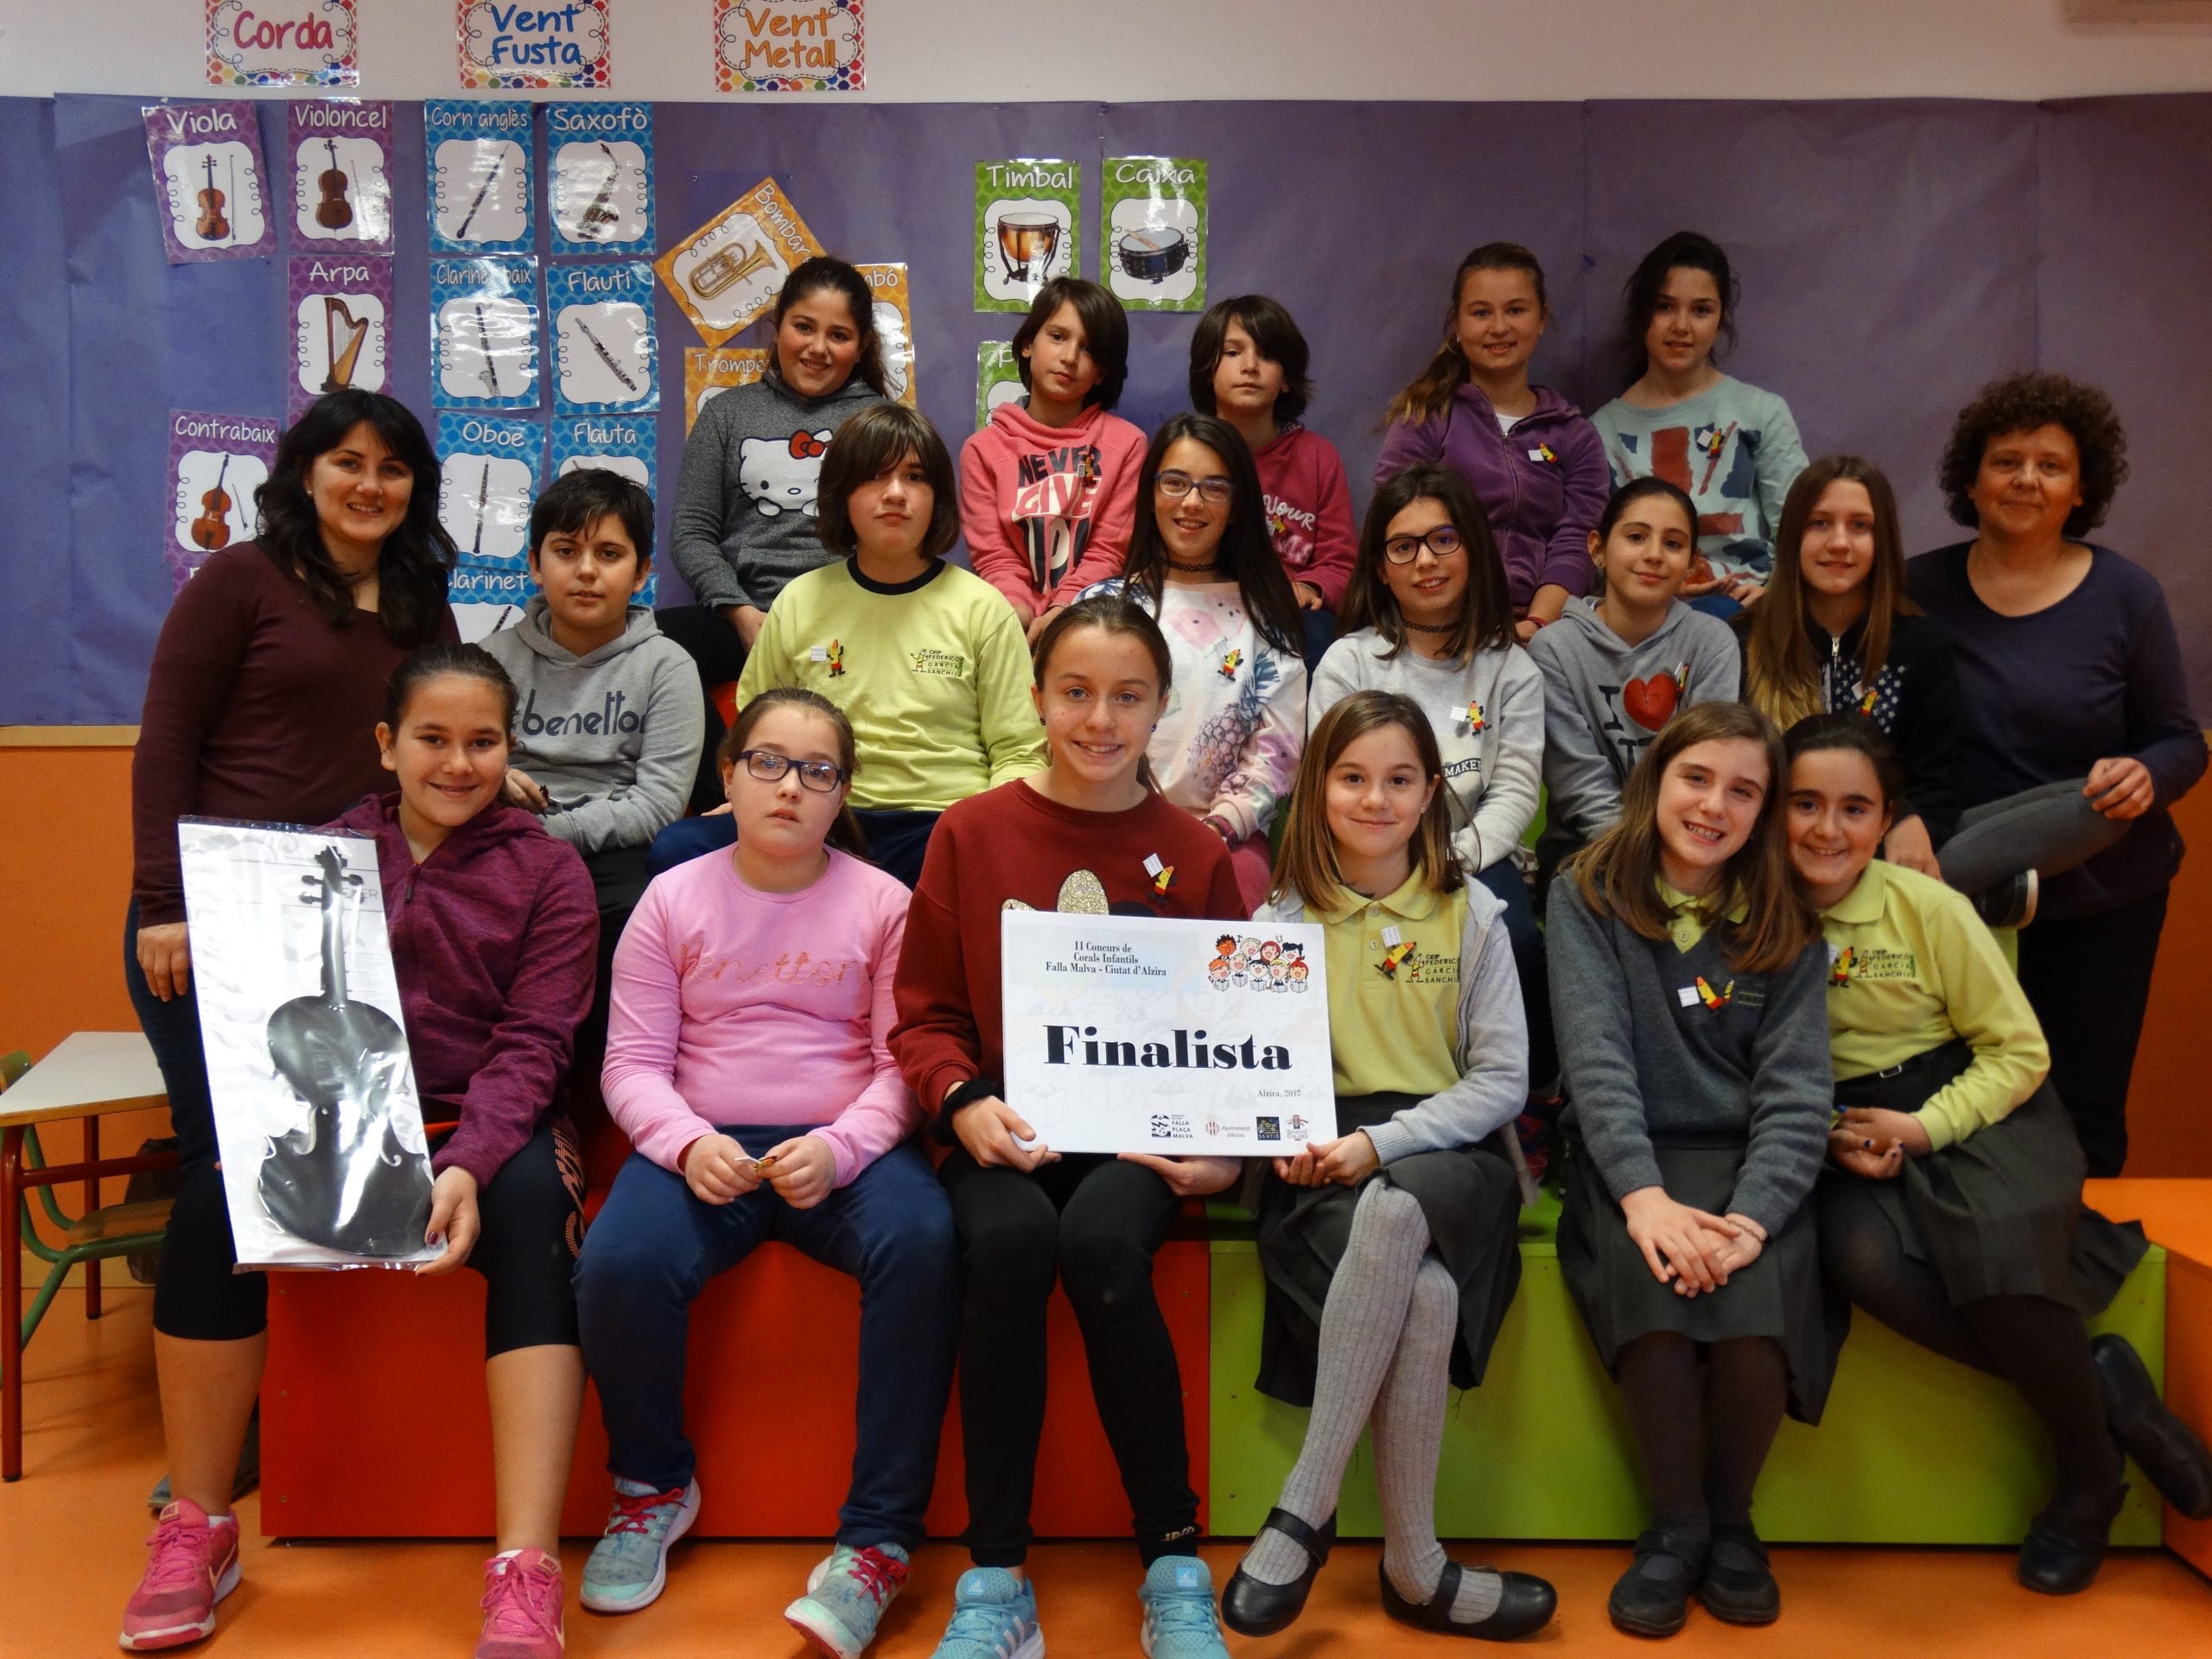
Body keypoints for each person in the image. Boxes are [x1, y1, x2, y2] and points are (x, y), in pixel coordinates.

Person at [126, 644, 599, 1656]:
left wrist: (469, 1161)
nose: (458, 763)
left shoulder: (549, 870)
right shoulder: (318, 857)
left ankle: (525, 1565)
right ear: (388, 745)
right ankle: (199, 1524)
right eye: (433, 739)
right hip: (340, 1115)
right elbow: (270, 1023)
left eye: (483, 742)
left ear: (509, 749)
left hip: (487, 1119)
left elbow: (535, 1041)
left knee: (531, 1218)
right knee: (210, 1204)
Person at [120, 389, 458, 1650]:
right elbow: (167, 741)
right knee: (228, 1175)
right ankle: (196, 1513)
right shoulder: (240, 582)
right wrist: (164, 903)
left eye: (393, 468)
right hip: (218, 910)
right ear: (304, 474)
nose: (370, 485)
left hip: (348, 923)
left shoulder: (420, 600)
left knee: (325, 1180)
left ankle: (278, 1428)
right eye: (346, 463)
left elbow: (433, 729)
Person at [889, 596, 1246, 1659]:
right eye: (1076, 692)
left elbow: (1235, 1029)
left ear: (1161, 706)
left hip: (1137, 1133)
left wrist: (1222, 1150)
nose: (1100, 719)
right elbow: (924, 1016)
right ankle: (996, 1577)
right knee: (1007, 1241)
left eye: (1127, 696)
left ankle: (1173, 1560)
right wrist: (962, 1100)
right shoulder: (971, 831)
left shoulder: (1193, 851)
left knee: (1097, 1244)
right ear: (1038, 698)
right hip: (1006, 1124)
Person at [1783, 714, 2212, 1592]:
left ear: (1887, 818)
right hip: (1835, 1120)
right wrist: (1831, 1132)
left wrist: (1923, 1128)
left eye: (1855, 808)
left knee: (2001, 1240)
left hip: (1974, 1100)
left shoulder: (1926, 907)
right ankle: (2106, 1390)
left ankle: (2087, 1479)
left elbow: (2017, 1052)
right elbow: (1739, 1057)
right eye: (1805, 804)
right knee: (1859, 1258)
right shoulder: (1750, 915)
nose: (1828, 829)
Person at [575, 687, 959, 1657]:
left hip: (845, 1148)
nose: (790, 788)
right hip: (705, 1143)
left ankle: (877, 1541)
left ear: (844, 793)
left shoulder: (885, 903)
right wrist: (684, 1142)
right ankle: (652, 1485)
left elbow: (902, 1066)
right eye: (768, 763)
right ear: (729, 777)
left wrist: (842, 1147)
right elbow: (630, 1064)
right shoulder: (672, 898)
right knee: (617, 1262)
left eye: (817, 771)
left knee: (924, 1244)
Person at [1218, 690, 1555, 1643]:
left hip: (1450, 1149)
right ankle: (1416, 1569)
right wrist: (1282, 1137)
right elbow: (1250, 1067)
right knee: (1429, 1296)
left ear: (1432, 791)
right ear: (1317, 790)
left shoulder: (1473, 912)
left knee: (1400, 1208)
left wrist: (1382, 1146)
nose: (1376, 799)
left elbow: (1502, 1082)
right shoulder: (1279, 920)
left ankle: (1304, 1504)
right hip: (1317, 1154)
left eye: (1399, 779)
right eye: (1353, 778)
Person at [1547, 702, 1833, 1639]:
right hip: (1629, 1158)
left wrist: (1751, 1220)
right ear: (1656, 780)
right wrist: (1644, 1201)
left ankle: (1733, 1525)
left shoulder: (1788, 921)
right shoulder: (1587, 893)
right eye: (1696, 778)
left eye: (1743, 791)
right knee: (1657, 1296)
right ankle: (1674, 1528)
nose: (1714, 805)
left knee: (1757, 1312)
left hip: (1747, 1164)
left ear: (1764, 811)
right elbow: (1597, 1063)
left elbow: (1796, 1094)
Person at [1906, 372, 2206, 1176]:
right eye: (2006, 461)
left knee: (2083, 1114)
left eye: (2051, 466)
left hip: (2103, 901)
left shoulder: (2127, 595)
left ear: (2082, 488)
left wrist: (2147, 774)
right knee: (1953, 1110)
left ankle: (2086, 1253)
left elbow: (2180, 741)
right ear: (1971, 481)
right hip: (1954, 901)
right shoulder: (1912, 590)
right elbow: (1874, 732)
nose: (2026, 481)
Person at [1311, 466, 1551, 1096]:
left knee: (1517, 939)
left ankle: (1526, 1099)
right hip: (1364, 850)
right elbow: (1324, 779)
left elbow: (1514, 792)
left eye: (1443, 539)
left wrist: (1450, 861)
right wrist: (1391, 861)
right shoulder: (1349, 663)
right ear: (1380, 567)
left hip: (1473, 856)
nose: (1425, 561)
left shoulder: (1512, 670)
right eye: (1403, 546)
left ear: (1472, 548)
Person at [480, 467, 702, 1070]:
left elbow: (657, 804)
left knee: (638, 919)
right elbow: (455, 763)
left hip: (615, 857)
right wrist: (489, 777)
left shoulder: (668, 667)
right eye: (565, 551)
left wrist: (551, 832)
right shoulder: (488, 660)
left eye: (608, 554)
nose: (585, 571)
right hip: (502, 843)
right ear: (534, 564)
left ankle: (608, 1081)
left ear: (641, 572)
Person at [665, 257, 890, 807]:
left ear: (860, 346)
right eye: (804, 327)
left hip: (846, 615)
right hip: (747, 614)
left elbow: (895, 539)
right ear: (777, 326)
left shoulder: (879, 423)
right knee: (654, 644)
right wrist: (740, 613)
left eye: (839, 335)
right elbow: (691, 531)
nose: (817, 348)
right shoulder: (726, 414)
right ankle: (723, 800)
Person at [1084, 411, 1308, 909]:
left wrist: (1214, 831)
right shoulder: (1100, 607)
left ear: (1238, 504)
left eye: (1214, 488)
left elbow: (1275, 756)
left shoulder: (1267, 622)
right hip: (1100, 822)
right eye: (1175, 482)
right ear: (1150, 492)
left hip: (1223, 839)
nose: (1191, 502)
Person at [1374, 242, 1608, 640]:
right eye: (1481, 313)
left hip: (1544, 628)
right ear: (1457, 323)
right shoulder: (1425, 418)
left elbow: (1576, 542)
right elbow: (1397, 528)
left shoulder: (1576, 435)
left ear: (1542, 319)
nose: (1499, 328)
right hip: (1439, 622)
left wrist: (1535, 627)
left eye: (1515, 310)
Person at [1531, 476, 1739, 872]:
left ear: (1692, 564)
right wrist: (1639, 862)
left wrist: (1675, 856)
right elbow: (1579, 782)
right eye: (1636, 537)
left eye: (1673, 544)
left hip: (1690, 840)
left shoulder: (1712, 642)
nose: (1654, 555)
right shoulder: (1555, 649)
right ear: (1598, 549)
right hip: (1585, 846)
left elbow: (1707, 766)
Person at [1591, 232, 1808, 609]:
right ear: (1641, 313)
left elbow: (1801, 527)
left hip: (1750, 611)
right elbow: (1593, 556)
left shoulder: (1761, 413)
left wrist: (1775, 596)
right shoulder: (1599, 432)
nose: (1681, 326)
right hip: (1646, 614)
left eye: (1701, 310)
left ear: (1721, 319)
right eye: (1664, 307)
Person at [959, 276, 1146, 643]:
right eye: (1058, 337)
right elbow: (995, 558)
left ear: (1102, 371)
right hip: (1014, 623)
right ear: (1028, 344)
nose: (1070, 358)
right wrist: (1018, 615)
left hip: (1094, 625)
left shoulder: (1127, 445)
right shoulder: (982, 450)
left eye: (1088, 349)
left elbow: (1109, 552)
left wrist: (1063, 611)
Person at [1187, 294, 1356, 664]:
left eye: (1266, 355)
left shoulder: (1317, 456)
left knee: (1320, 635)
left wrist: (1310, 586)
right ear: (1207, 370)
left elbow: (1340, 563)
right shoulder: (1188, 452)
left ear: (1286, 381)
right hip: (1202, 606)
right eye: (1233, 352)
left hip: (1290, 614)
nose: (1250, 366)